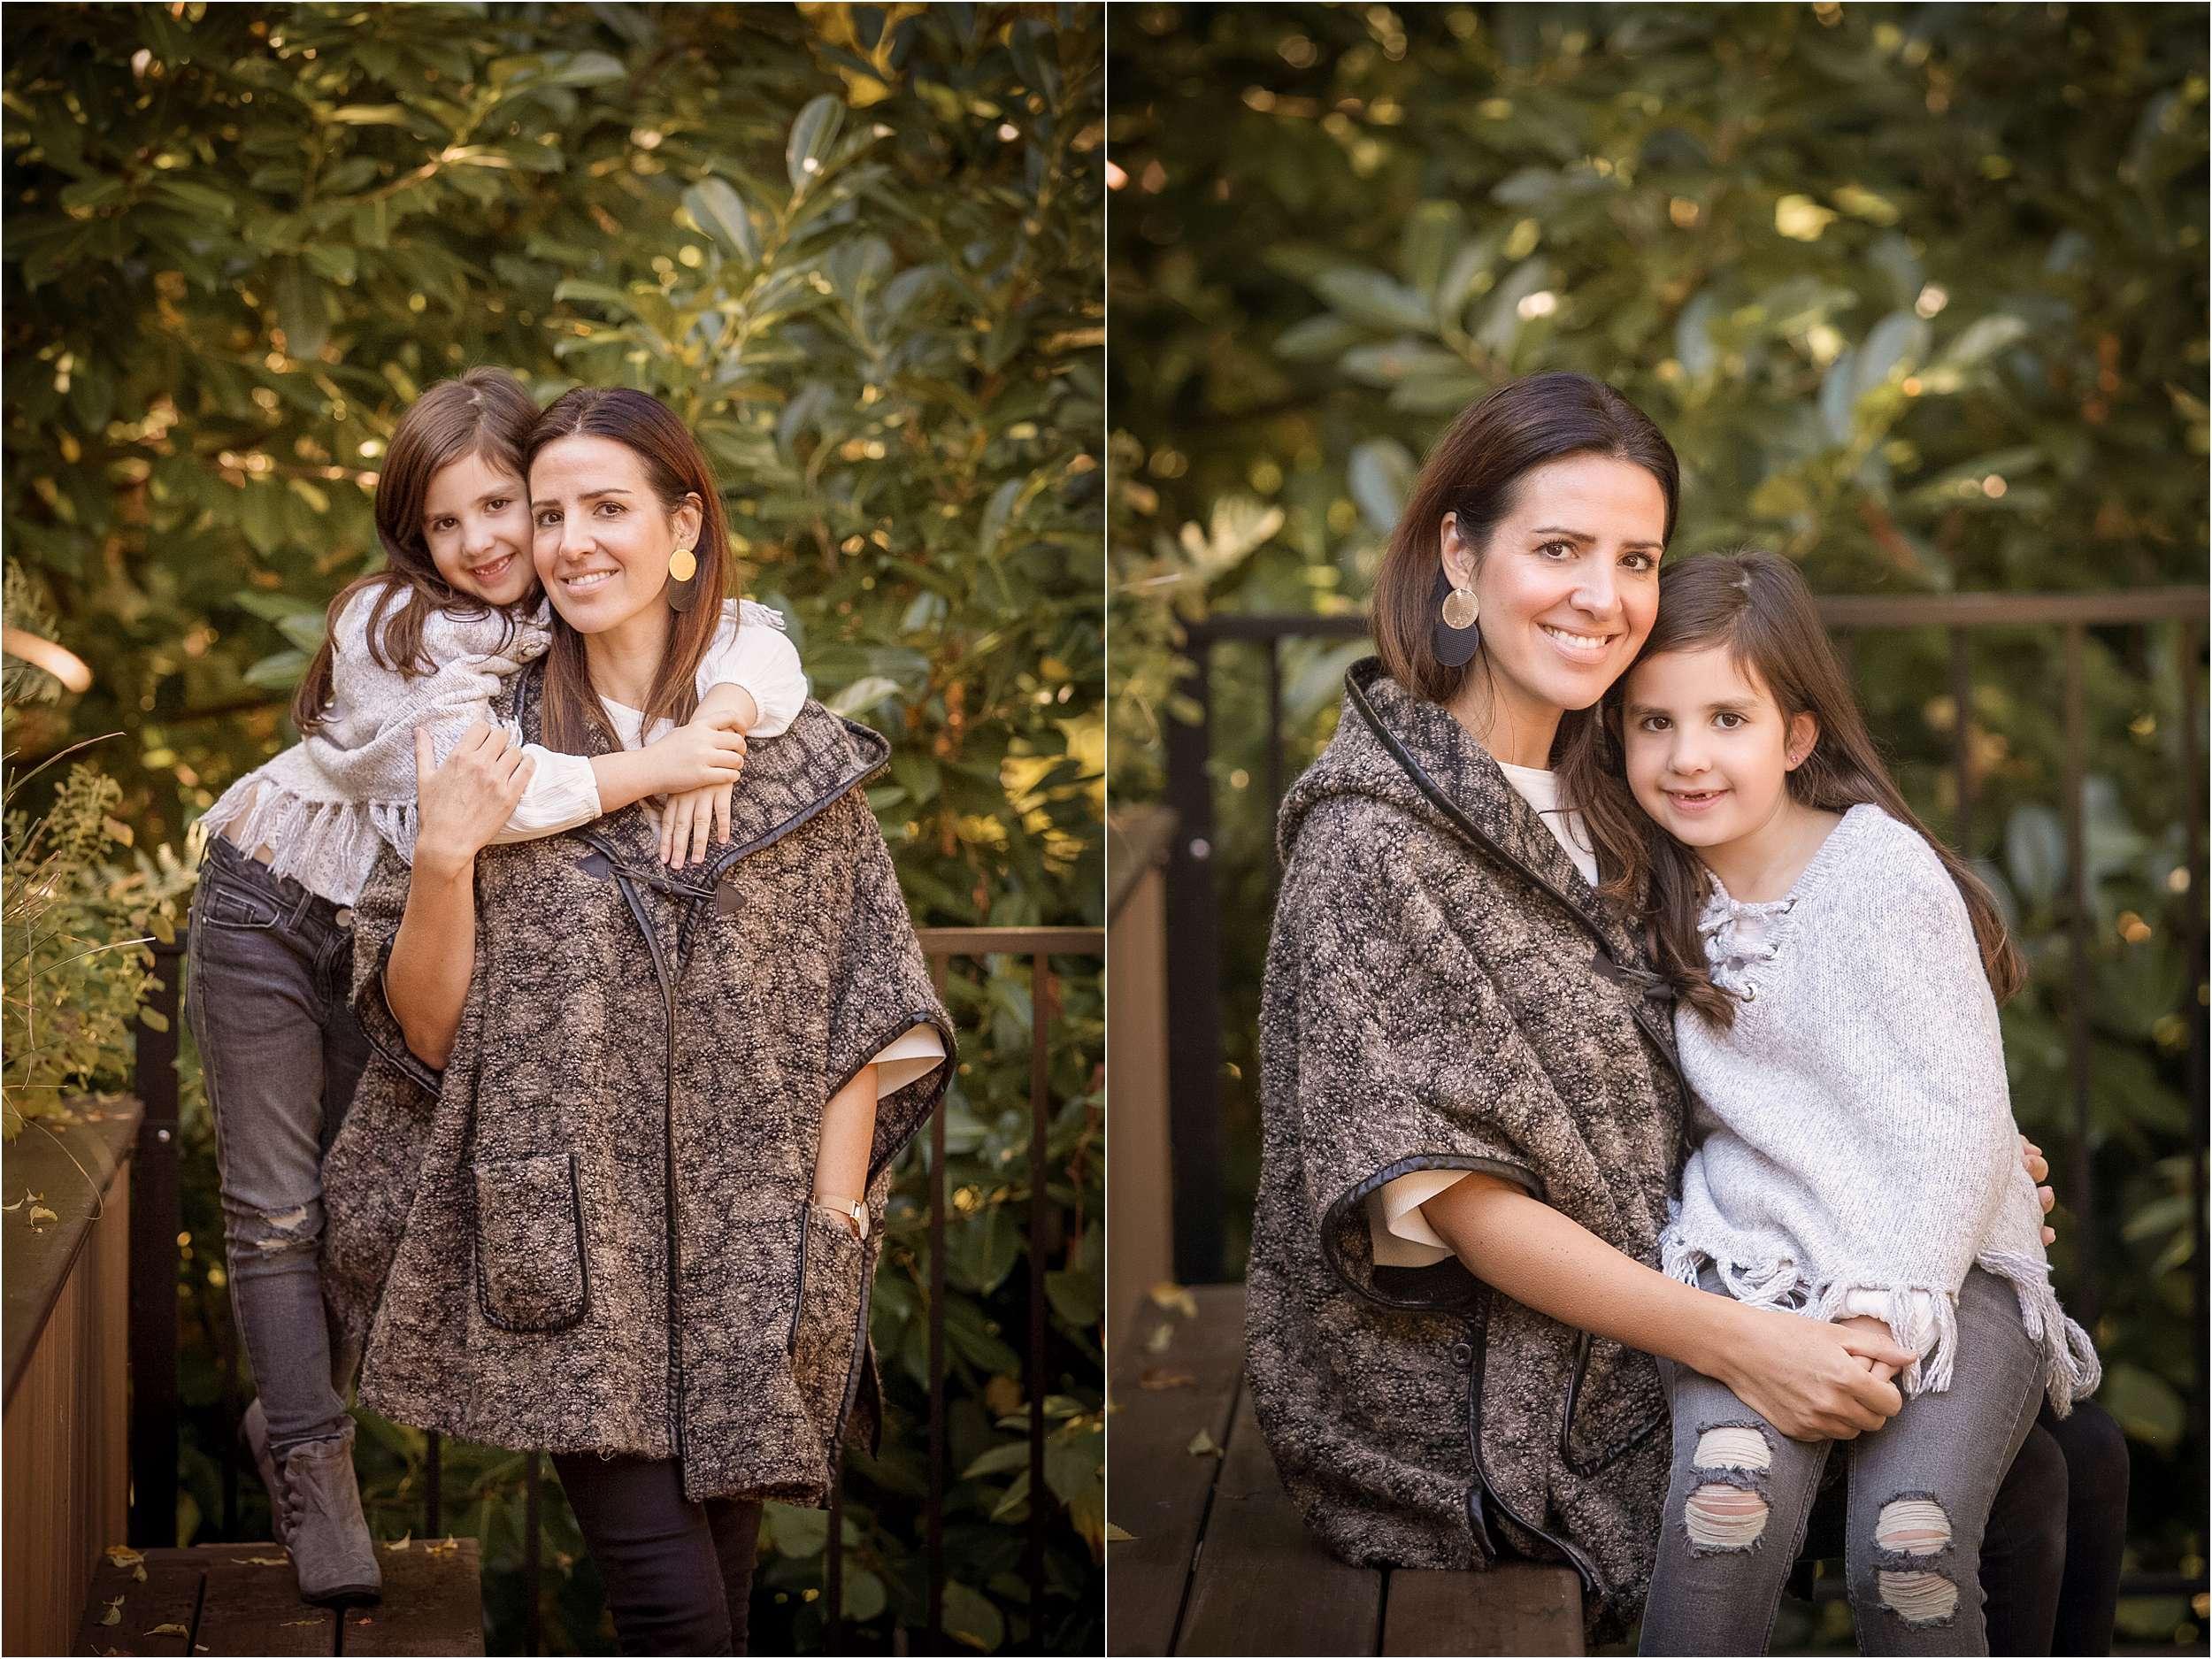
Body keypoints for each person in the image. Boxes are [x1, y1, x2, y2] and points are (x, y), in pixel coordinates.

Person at [1245, 372, 2124, 1650]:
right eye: (1559, 549)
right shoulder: (1376, 846)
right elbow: (1457, 1200)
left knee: (2075, 1454)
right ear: (1458, 550)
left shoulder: (1619, 785)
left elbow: (1772, 1034)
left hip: (1722, 1261)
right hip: (1506, 1389)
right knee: (2038, 1477)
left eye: (1637, 557)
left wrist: (1949, 1164)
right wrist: (1753, 1341)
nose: (1604, 597)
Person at [319, 385, 953, 1655]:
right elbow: (425, 1037)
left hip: (754, 1248)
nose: (570, 540)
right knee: (671, 1604)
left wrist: (829, 1225)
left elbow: (866, 1004)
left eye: (607, 507)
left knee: (720, 1586)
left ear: (684, 525)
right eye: (548, 512)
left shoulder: (791, 754)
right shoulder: (487, 750)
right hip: (569, 1237)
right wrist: (444, 862)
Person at [186, 368, 805, 1603]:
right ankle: (311, 1458)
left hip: (395, 924)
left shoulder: (564, 614)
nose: (477, 543)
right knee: (274, 1206)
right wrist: (669, 762)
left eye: (499, 507)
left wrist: (722, 708)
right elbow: (493, 794)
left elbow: (759, 637)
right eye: (444, 522)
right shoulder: (389, 624)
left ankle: (289, 1408)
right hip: (270, 905)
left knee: (385, 1195)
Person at [1609, 550, 2099, 1654]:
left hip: (1943, 1277)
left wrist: (1886, 1311)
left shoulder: (1878, 873)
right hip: (1757, 1267)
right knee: (1721, 1513)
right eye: (1653, 724)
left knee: (1911, 1547)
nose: (1687, 757)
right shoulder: (1651, 885)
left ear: (1793, 736)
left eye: (1726, 719)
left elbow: (1965, 1120)